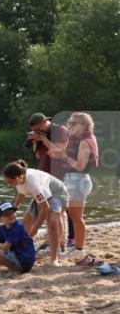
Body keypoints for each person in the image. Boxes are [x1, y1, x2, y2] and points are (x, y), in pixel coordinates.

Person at [49, 112, 100, 265]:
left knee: (77, 218)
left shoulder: (85, 142)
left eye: (73, 123)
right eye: (69, 123)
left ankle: (79, 249)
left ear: (83, 125)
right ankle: (75, 247)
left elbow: (80, 166)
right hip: (74, 180)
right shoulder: (81, 139)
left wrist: (63, 156)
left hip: (78, 180)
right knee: (72, 216)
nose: (69, 126)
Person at [2, 160, 69, 266]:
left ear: (19, 177)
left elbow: (45, 208)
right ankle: (26, 253)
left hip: (57, 193)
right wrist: (15, 207)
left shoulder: (33, 183)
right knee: (26, 220)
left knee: (52, 221)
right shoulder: (19, 180)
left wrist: (35, 229)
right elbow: (22, 192)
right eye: (7, 181)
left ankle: (54, 259)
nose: (9, 184)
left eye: (10, 181)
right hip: (44, 194)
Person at [27, 112, 73, 249]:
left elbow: (60, 152)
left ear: (45, 122)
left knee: (57, 210)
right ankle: (53, 240)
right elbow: (39, 156)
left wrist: (43, 139)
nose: (37, 131)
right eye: (35, 130)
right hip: (44, 176)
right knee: (48, 209)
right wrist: (36, 141)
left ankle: (60, 242)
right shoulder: (43, 136)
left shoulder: (60, 130)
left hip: (59, 175)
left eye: (38, 128)